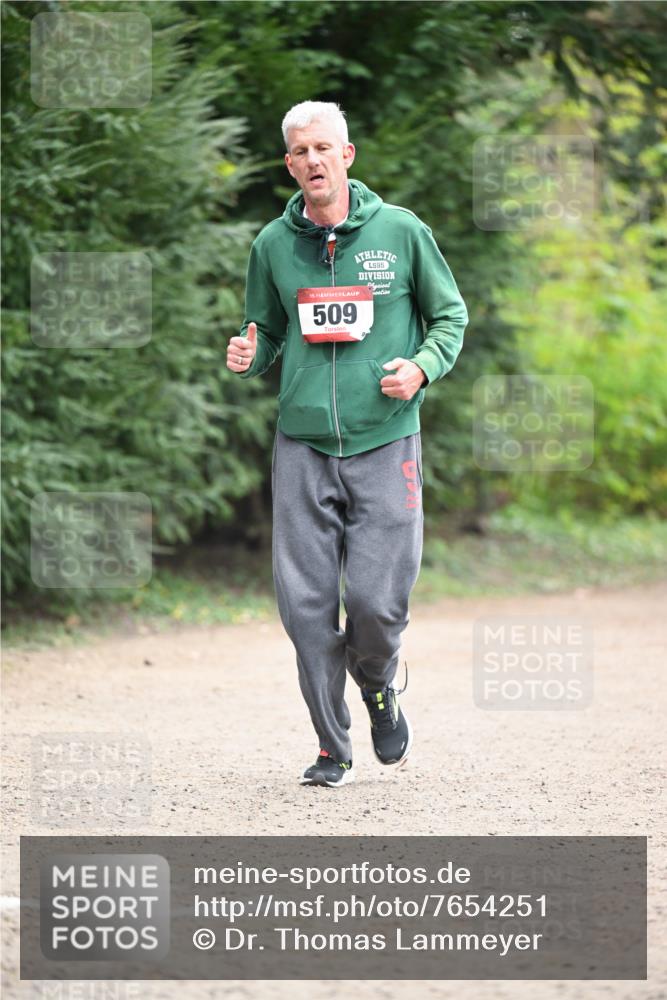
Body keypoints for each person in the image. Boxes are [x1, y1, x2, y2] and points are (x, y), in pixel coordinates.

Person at [227, 100, 468, 788]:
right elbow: (266, 329)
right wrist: (252, 350)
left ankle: (379, 682)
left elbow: (448, 314)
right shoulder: (272, 245)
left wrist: (420, 366)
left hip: (385, 441)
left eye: (323, 148)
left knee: (374, 604)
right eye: (300, 151)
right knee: (304, 610)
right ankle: (332, 748)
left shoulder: (399, 232)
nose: (312, 160)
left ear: (347, 154)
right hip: (302, 442)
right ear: (289, 164)